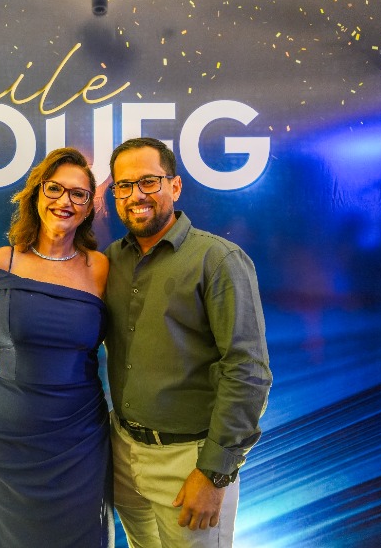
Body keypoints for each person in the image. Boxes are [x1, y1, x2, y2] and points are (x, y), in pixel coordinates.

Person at [104, 137, 272, 547]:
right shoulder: (111, 260)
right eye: (124, 185)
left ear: (175, 186)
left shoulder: (218, 260)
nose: (136, 195)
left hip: (189, 463)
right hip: (121, 453)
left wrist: (214, 473)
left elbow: (248, 372)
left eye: (149, 181)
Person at [0, 147, 114, 548]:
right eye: (54, 188)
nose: (65, 201)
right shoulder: (2, 261)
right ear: (37, 194)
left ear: (88, 207)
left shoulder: (100, 268)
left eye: (78, 194)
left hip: (80, 444)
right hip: (6, 446)